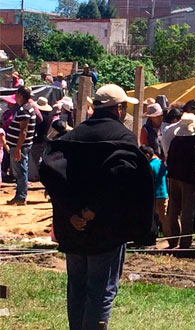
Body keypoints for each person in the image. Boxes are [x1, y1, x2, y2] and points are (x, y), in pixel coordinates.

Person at [39, 84, 154, 330]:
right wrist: (93, 209)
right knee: (101, 292)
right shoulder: (122, 138)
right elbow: (120, 180)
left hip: (73, 230)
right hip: (105, 231)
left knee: (77, 289)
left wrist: (70, 213)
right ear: (120, 109)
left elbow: (51, 172)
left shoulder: (73, 136)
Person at [165, 111, 195, 249]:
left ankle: (173, 239)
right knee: (187, 212)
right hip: (189, 181)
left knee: (173, 210)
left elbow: (169, 159)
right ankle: (185, 241)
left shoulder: (175, 141)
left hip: (174, 178)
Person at [6, 87, 36, 206]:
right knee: (21, 169)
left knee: (20, 170)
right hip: (21, 145)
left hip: (20, 146)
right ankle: (20, 195)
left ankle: (21, 196)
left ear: (20, 96)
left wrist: (18, 148)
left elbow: (23, 131)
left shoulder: (24, 110)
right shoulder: (27, 108)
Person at [140, 145, 167, 233]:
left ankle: (171, 236)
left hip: (156, 194)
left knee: (160, 217)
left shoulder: (150, 166)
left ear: (147, 155)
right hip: (163, 193)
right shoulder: (160, 163)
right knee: (163, 216)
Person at [30, 97, 54, 182]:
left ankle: (41, 175)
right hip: (44, 139)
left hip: (37, 140)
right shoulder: (48, 117)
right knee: (42, 157)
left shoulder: (38, 118)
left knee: (37, 159)